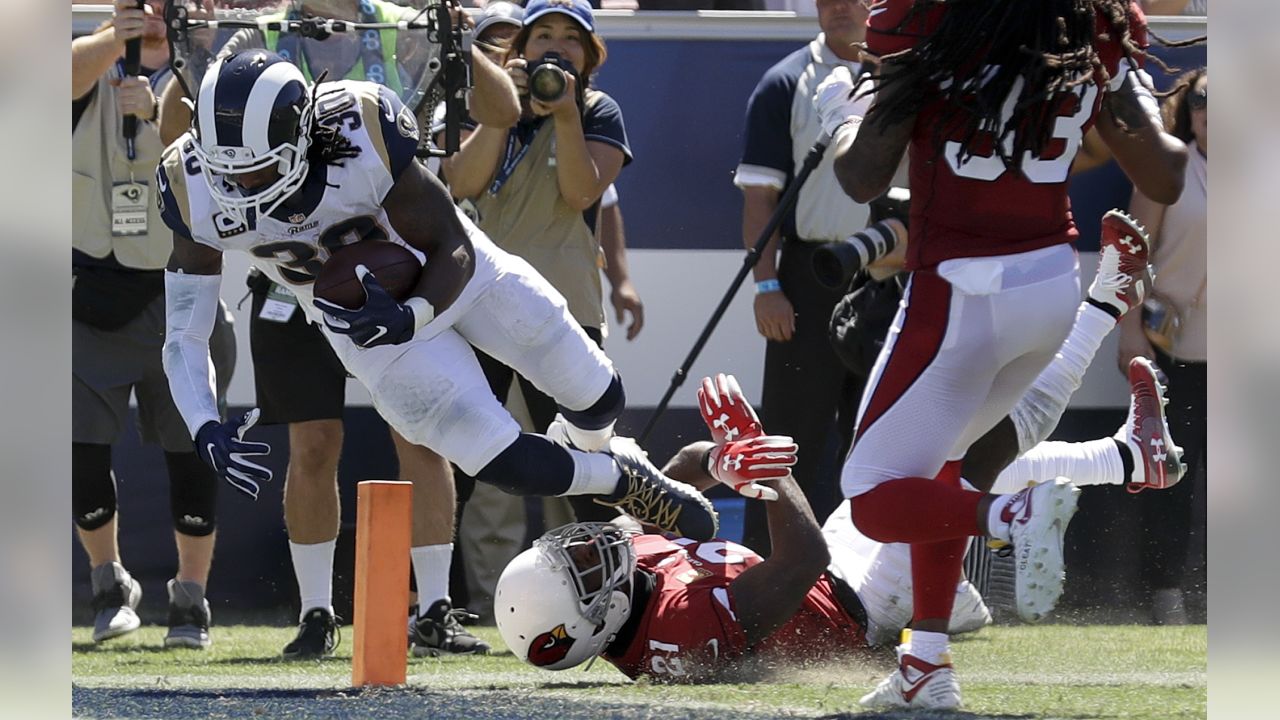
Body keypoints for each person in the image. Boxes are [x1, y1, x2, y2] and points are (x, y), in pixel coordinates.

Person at [156, 51, 719, 629]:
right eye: (227, 172)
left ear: (303, 134)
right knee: (503, 461)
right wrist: (202, 421)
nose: (240, 188)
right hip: (370, 332)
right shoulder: (191, 183)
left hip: (462, 279)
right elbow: (184, 331)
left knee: (601, 396)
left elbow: (453, 244)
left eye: (257, 170)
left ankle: (604, 450)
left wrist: (415, 311)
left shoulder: (361, 126)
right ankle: (625, 478)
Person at [815, 0, 1189, 708]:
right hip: (1050, 283)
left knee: (870, 498)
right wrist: (1112, 77)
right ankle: (926, 662)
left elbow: (862, 175)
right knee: (944, 466)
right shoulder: (1093, 20)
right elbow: (1164, 176)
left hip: (959, 289)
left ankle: (1013, 516)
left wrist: (853, 103)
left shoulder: (921, 14)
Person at [156, 0, 520, 659]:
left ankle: (434, 608)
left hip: (397, 271)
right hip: (293, 285)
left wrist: (464, 40)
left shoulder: (403, 24)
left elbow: (503, 112)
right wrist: (203, 61)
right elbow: (176, 135)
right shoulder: (256, 33)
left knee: (422, 437)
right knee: (314, 444)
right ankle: (317, 612)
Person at [494, 360, 1185, 680]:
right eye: (585, 570)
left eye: (574, 551)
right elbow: (803, 563)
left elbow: (672, 482)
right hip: (863, 600)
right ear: (595, 624)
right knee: (941, 466)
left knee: (894, 473)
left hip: (846, 567)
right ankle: (1119, 428)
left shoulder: (629, 588)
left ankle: (1122, 460)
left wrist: (723, 460)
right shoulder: (676, 634)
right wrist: (763, 465)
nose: (593, 548)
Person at [439, 0, 642, 527]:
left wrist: (568, 111)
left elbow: (580, 193)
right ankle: (427, 601)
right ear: (520, 49)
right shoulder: (487, 107)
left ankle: (615, 600)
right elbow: (460, 183)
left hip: (563, 313)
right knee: (454, 462)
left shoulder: (600, 109)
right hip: (477, 307)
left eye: (572, 38)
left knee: (585, 463)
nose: (556, 46)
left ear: (591, 55)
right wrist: (504, 106)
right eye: (543, 34)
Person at [72, 0, 236, 649]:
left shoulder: (218, 66)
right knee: (79, 449)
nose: (154, 12)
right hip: (94, 288)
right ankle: (107, 583)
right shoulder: (93, 55)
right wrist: (118, 37)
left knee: (191, 450)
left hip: (182, 289)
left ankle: (190, 600)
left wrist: (160, 113)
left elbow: (218, 165)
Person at [733, 0, 873, 555]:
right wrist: (767, 286)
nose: (840, 6)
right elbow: (760, 198)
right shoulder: (785, 81)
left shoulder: (913, 77)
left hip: (892, 280)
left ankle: (873, 586)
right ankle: (759, 576)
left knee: (883, 437)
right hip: (807, 279)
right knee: (788, 441)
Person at [1118, 67, 1207, 625]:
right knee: (1172, 476)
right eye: (1201, 104)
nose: (1212, 115)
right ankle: (1165, 593)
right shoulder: (1170, 168)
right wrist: (1130, 337)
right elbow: (1130, 254)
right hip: (1173, 350)